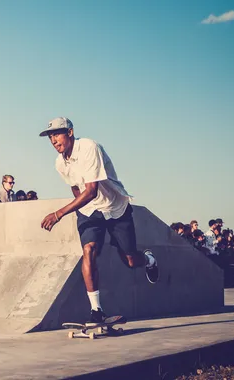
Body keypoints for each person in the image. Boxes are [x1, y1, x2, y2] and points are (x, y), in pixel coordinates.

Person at [39, 117, 158, 324]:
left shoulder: (88, 148)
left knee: (130, 260)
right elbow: (76, 188)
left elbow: (92, 191)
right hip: (89, 211)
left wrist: (59, 214)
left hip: (115, 208)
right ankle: (96, 310)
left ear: (70, 132)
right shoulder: (60, 163)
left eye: (57, 134)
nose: (53, 140)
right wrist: (79, 208)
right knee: (88, 250)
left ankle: (149, 260)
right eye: (50, 137)